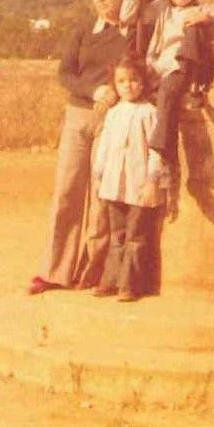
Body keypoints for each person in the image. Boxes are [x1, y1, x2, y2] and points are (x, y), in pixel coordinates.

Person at [28, 0, 132, 295]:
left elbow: (138, 72)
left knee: (103, 198)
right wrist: (93, 90)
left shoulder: (133, 33)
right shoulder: (84, 32)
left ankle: (93, 272)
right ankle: (55, 271)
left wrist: (115, 92)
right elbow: (65, 74)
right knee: (67, 192)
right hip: (78, 117)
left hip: (111, 121)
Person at [120, 0, 214, 169]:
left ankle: (160, 149)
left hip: (186, 67)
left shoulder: (203, 9)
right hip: (160, 67)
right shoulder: (160, 8)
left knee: (193, 26)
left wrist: (205, 20)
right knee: (149, 103)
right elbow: (127, 17)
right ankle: (151, 157)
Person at [91, 53, 171, 302]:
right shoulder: (114, 113)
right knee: (118, 233)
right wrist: (99, 174)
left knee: (137, 235)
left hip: (138, 185)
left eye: (134, 80)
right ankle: (111, 280)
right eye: (122, 81)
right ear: (115, 84)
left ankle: (131, 284)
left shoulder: (149, 113)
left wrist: (152, 181)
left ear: (144, 83)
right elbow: (104, 145)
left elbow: (157, 149)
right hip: (115, 184)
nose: (128, 86)